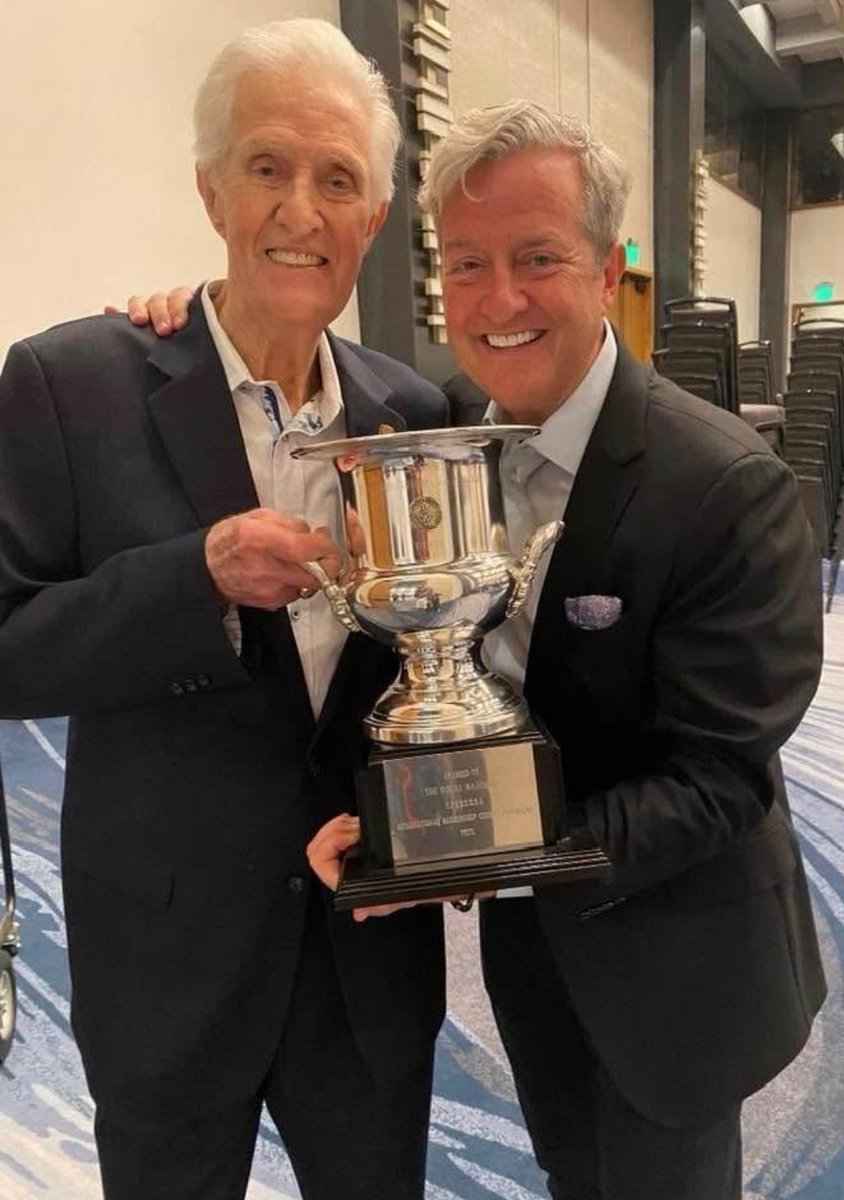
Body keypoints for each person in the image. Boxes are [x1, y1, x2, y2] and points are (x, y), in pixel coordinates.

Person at [119, 102, 827, 1200]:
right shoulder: (440, 428)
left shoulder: (725, 489)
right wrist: (192, 317)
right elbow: (279, 361)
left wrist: (469, 850)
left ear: (607, 271)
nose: (498, 301)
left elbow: (718, 782)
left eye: (538, 258)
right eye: (466, 264)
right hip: (537, 967)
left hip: (675, 972)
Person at [0, 19, 449, 1200]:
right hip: (167, 952)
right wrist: (189, 575)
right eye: (268, 167)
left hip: (364, 953)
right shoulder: (70, 384)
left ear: (373, 220)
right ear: (211, 191)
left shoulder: (411, 414)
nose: (301, 209)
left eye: (337, 179)